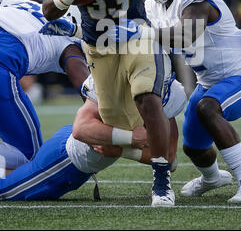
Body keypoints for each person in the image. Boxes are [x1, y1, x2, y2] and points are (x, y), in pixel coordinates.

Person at [41, 0, 174, 207]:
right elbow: (48, 9)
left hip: (136, 33)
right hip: (98, 47)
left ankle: (162, 181)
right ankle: (154, 148)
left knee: (147, 98)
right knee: (114, 120)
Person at [106, 0, 241, 204]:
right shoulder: (156, 4)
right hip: (208, 82)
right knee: (193, 146)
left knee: (206, 108)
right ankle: (213, 178)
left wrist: (140, 32)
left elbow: (184, 35)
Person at [0, 72, 187, 201]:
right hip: (65, 159)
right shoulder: (112, 72)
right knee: (6, 189)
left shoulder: (172, 90)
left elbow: (170, 159)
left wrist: (121, 149)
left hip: (73, 154)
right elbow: (81, 129)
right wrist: (129, 139)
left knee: (22, 172)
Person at [0, 0, 89, 170]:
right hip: (4, 57)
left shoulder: (29, 4)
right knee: (27, 157)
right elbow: (89, 92)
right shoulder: (70, 42)